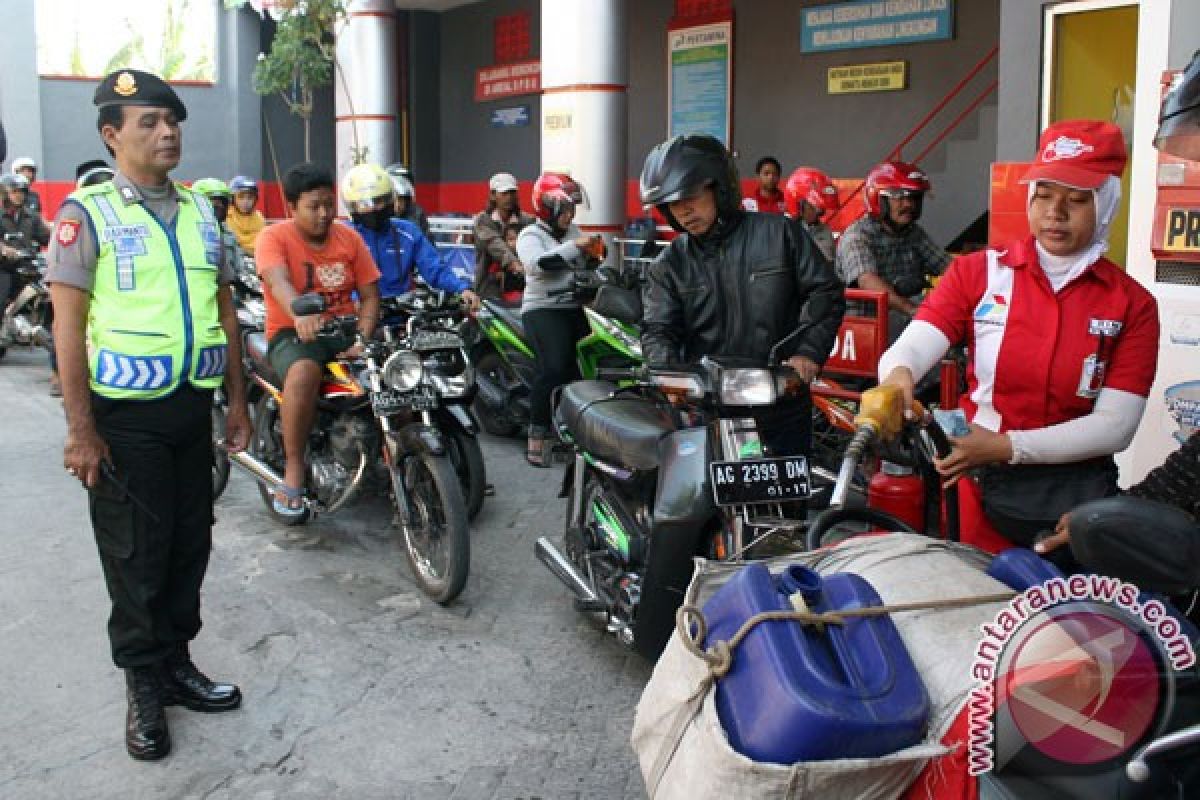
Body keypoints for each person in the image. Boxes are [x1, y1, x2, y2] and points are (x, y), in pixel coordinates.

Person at [46, 69, 252, 761]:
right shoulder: (87, 215)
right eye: (149, 123)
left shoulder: (201, 212)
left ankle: (176, 664)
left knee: (190, 543)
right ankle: (142, 686)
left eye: (173, 121)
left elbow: (223, 311)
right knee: (136, 555)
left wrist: (238, 403)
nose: (168, 133)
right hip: (123, 420)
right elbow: (67, 330)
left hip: (191, 412)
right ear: (112, 135)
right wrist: (81, 431)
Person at [877, 119, 1160, 555]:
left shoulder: (1133, 304)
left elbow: (1115, 427)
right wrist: (897, 376)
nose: (1055, 212)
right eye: (1043, 195)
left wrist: (1008, 447)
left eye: (1076, 200)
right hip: (979, 483)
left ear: (1105, 205)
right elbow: (912, 346)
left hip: (1074, 495)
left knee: (1071, 617)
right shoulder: (978, 272)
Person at [640, 134, 846, 458]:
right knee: (701, 504)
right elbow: (658, 328)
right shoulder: (669, 266)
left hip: (781, 399)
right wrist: (668, 374)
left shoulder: (781, 234)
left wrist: (808, 353)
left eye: (690, 196)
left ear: (719, 187)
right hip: (708, 409)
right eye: (672, 203)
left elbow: (826, 291)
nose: (683, 211)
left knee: (785, 504)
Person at [255, 162, 380, 515]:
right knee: (305, 372)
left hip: (344, 331)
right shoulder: (273, 238)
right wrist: (299, 312)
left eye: (329, 204)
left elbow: (370, 296)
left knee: (397, 371)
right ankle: (294, 467)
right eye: (314, 206)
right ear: (292, 207)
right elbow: (278, 281)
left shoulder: (350, 238)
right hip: (293, 332)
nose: (324, 214)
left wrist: (364, 337)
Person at [517, 172, 603, 467]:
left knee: (584, 369)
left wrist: (594, 257)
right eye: (564, 210)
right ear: (548, 208)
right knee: (553, 369)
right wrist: (577, 247)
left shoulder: (572, 232)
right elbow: (540, 264)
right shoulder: (531, 235)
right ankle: (536, 437)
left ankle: (575, 433)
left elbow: (583, 266)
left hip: (573, 307)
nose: (569, 216)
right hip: (542, 309)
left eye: (571, 210)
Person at [836, 161, 951, 342]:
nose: (909, 204)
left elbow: (948, 266)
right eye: (899, 197)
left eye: (913, 197)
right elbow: (867, 281)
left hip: (899, 326)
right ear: (878, 199)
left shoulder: (914, 234)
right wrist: (912, 309)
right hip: (862, 332)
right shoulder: (857, 236)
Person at [341, 162, 478, 308]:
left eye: (379, 201)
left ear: (390, 200)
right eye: (365, 204)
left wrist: (461, 288)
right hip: (355, 316)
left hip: (400, 316)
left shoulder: (407, 232)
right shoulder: (344, 236)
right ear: (352, 206)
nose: (373, 208)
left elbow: (434, 267)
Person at [473, 171, 533, 300]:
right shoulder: (482, 221)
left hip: (520, 288)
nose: (509, 197)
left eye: (512, 192)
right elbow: (495, 245)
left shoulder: (527, 221)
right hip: (488, 288)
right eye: (504, 193)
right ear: (493, 195)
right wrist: (515, 264)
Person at [191, 178, 246, 278]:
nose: (219, 206)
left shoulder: (228, 233)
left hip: (228, 287)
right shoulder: (189, 232)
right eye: (214, 202)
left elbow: (239, 267)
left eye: (223, 202)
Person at [784, 166, 840, 262]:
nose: (819, 212)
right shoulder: (783, 233)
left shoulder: (824, 231)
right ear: (798, 204)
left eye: (821, 209)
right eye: (814, 207)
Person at [384, 163, 431, 236]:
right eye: (393, 200)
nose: (397, 205)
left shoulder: (416, 214)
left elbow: (427, 243)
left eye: (401, 199)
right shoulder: (380, 215)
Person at [227, 175, 266, 255]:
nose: (246, 202)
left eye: (250, 198)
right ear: (232, 199)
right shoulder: (226, 217)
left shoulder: (259, 218)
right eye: (241, 197)